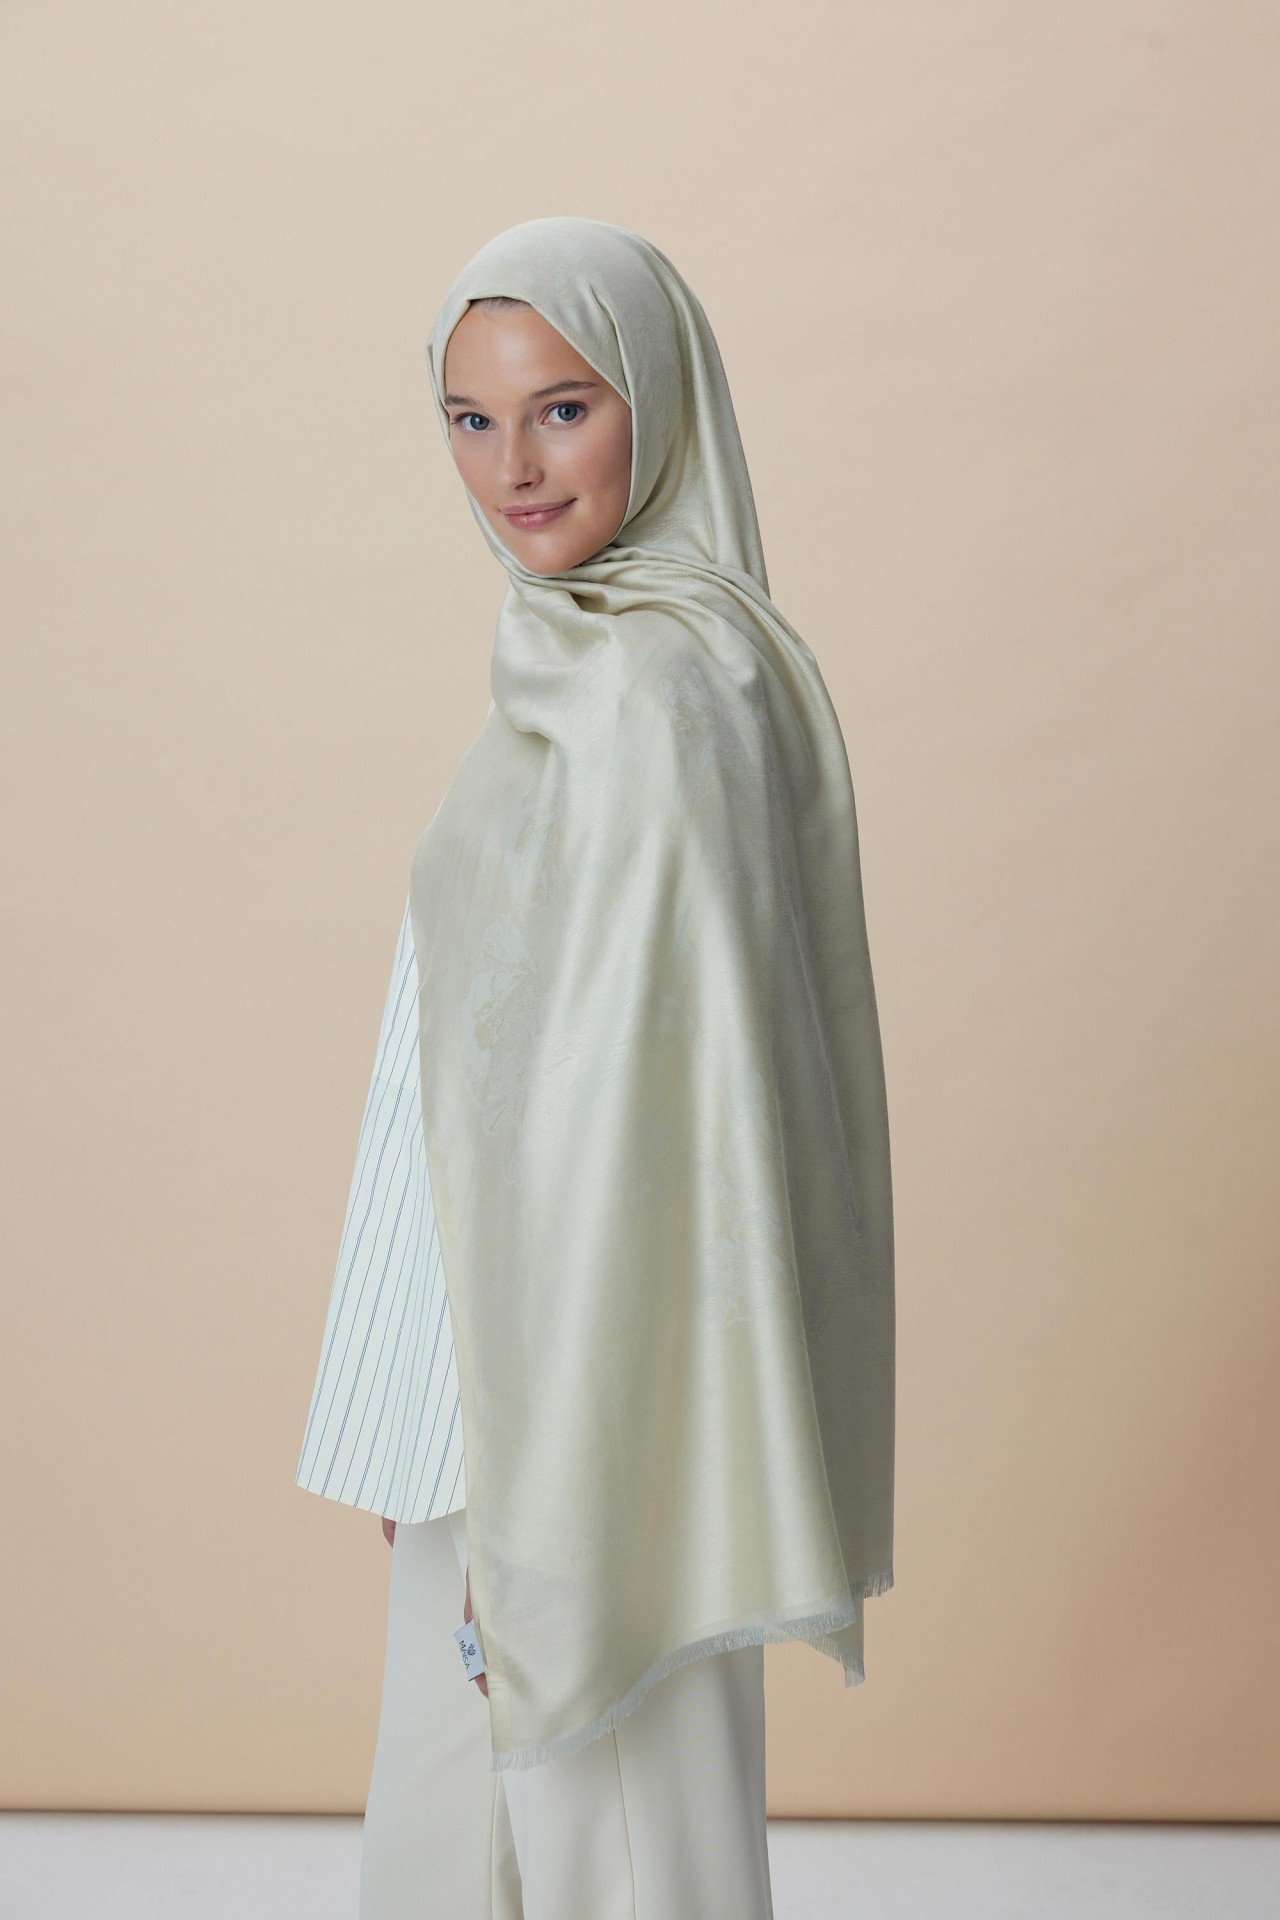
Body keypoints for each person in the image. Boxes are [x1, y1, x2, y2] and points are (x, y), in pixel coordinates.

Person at [295, 216, 895, 1919]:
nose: (515, 469)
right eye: (470, 420)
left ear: (660, 402)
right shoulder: (572, 655)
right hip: (485, 1384)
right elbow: (474, 1057)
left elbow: (641, 1126)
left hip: (591, 1405)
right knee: (453, 1844)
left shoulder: (655, 686)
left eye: (564, 409)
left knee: (626, 1856)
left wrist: (540, 1474)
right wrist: (426, 1408)